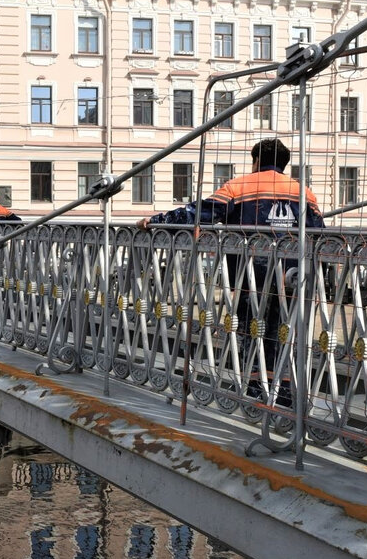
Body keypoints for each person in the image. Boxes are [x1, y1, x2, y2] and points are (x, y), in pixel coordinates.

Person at [139, 138, 325, 406]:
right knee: (285, 330)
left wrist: (155, 221)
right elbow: (319, 232)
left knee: (252, 329)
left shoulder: (240, 186)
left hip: (250, 273)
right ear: (284, 164)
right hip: (292, 273)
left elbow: (198, 214)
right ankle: (283, 393)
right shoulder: (303, 192)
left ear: (256, 161)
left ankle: (256, 390)